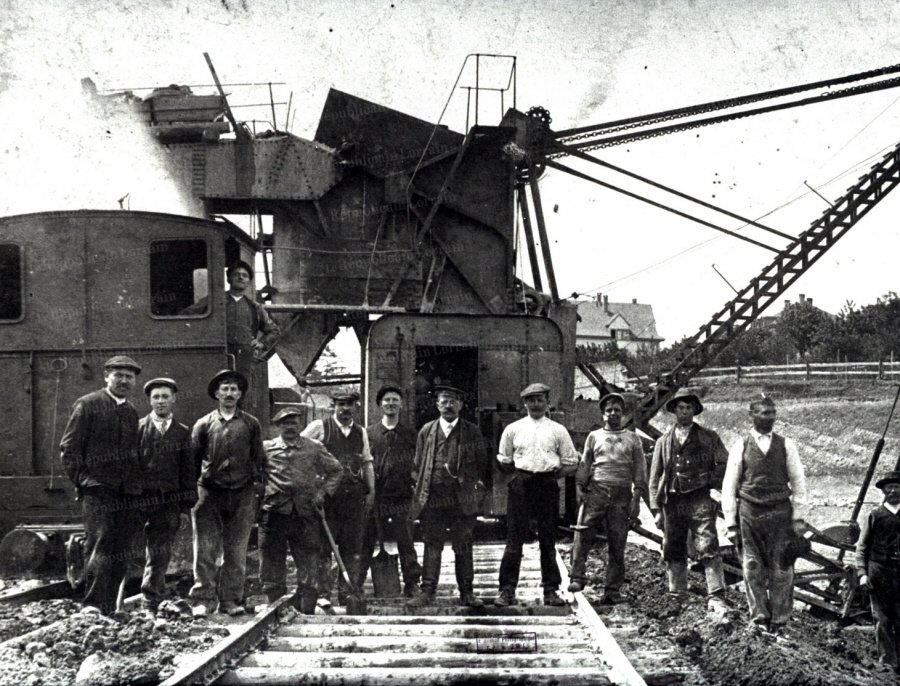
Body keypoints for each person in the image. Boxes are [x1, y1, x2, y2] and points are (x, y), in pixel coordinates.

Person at [59, 355, 144, 614]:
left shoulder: (130, 412)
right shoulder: (87, 404)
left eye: (129, 377)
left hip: (126, 492)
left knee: (121, 548)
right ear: (107, 376)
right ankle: (93, 605)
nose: (124, 381)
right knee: (100, 543)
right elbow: (69, 448)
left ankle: (109, 607)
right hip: (97, 489)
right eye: (118, 375)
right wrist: (84, 481)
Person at [721, 396, 808, 633]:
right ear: (752, 415)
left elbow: (799, 483)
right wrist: (730, 524)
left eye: (772, 413)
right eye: (763, 413)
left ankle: (780, 621)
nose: (769, 417)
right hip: (750, 515)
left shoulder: (786, 445)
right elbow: (729, 488)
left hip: (780, 515)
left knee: (781, 570)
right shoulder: (741, 446)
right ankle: (759, 618)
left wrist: (798, 519)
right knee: (752, 567)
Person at [189, 369, 265, 616]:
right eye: (225, 389)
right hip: (210, 493)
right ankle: (203, 601)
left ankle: (231, 600)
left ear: (240, 393)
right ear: (217, 394)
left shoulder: (251, 424)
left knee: (236, 551)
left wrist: (255, 490)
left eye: (234, 389)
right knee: (206, 549)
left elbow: (258, 459)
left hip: (242, 493)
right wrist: (195, 493)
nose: (230, 393)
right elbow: (193, 461)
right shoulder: (203, 424)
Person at [495, 382, 579, 607]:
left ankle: (551, 590)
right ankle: (506, 590)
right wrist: (519, 476)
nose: (536, 404)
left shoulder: (557, 430)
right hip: (521, 484)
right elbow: (504, 458)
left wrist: (551, 476)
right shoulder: (513, 429)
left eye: (540, 399)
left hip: (546, 485)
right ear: (525, 403)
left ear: (547, 402)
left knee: (547, 539)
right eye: (531, 400)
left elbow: (571, 461)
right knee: (514, 540)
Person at [408, 385, 490, 608]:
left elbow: (482, 464)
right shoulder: (427, 430)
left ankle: (467, 593)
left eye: (453, 400)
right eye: (444, 400)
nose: (448, 405)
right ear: (437, 405)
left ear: (461, 405)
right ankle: (427, 592)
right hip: (434, 496)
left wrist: (475, 491)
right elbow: (417, 464)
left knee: (463, 544)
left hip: (461, 498)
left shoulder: (471, 431)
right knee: (432, 543)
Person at [648, 391, 729, 611]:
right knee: (673, 546)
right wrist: (656, 509)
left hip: (700, 499)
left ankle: (716, 596)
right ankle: (677, 595)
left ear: (694, 411)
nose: (684, 412)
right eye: (680, 408)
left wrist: (709, 483)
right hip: (673, 502)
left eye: (689, 408)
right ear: (674, 411)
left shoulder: (708, 437)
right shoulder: (663, 442)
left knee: (708, 543)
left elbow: (723, 464)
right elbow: (654, 477)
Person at [259, 406, 343, 613]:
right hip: (275, 513)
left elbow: (336, 470)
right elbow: (253, 473)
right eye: (285, 423)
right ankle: (276, 608)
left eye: (294, 422)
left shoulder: (313, 447)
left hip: (305, 514)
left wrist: (322, 493)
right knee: (271, 560)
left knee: (308, 561)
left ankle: (306, 609)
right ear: (278, 426)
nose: (290, 427)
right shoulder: (265, 449)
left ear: (300, 425)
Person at [567, 392, 647, 605]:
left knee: (617, 541)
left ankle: (612, 590)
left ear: (623, 414)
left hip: (622, 493)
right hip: (597, 491)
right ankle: (577, 577)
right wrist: (579, 487)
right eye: (609, 411)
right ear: (602, 414)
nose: (613, 414)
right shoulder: (594, 436)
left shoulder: (632, 438)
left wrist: (637, 497)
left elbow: (640, 468)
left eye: (617, 411)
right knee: (583, 534)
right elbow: (585, 463)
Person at [301, 391, 375, 605]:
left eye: (349, 405)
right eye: (341, 404)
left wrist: (371, 491)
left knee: (352, 548)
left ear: (355, 407)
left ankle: (347, 594)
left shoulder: (360, 432)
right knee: (324, 547)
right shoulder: (319, 427)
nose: (345, 409)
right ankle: (323, 594)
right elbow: (300, 450)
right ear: (333, 405)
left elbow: (367, 462)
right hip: (327, 500)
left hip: (352, 498)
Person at [136, 377, 197, 613]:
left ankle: (151, 599)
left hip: (168, 503)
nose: (160, 401)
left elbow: (188, 471)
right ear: (150, 401)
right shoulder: (138, 428)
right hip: (139, 500)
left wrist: (184, 506)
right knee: (123, 548)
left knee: (160, 551)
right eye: (156, 397)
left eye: (165, 397)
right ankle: (112, 600)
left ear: (174, 399)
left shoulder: (182, 433)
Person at [357, 385, 422, 597]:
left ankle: (412, 583)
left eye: (395, 400)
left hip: (402, 496)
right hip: (376, 497)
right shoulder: (369, 433)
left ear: (401, 404)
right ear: (379, 405)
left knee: (405, 540)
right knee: (367, 539)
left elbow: (418, 463)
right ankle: (356, 585)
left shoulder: (411, 434)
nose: (391, 404)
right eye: (386, 400)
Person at [855, 469, 900, 673]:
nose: (892, 491)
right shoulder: (874, 515)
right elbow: (862, 547)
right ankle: (888, 662)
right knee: (882, 618)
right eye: (889, 487)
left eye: (896, 487)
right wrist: (863, 573)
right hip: (879, 573)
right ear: (883, 491)